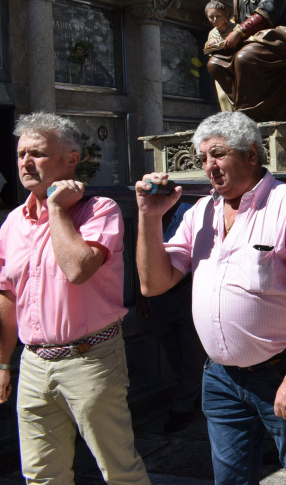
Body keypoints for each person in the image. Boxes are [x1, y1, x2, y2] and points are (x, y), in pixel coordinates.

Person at [135, 111, 286, 484]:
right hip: (219, 379)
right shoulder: (200, 212)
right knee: (230, 479)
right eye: (202, 159)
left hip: (280, 371)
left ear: (251, 153)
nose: (208, 167)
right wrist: (149, 218)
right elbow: (154, 283)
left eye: (218, 154)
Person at [0, 112, 150, 484]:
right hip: (33, 364)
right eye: (20, 154)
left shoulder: (99, 211)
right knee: (40, 474)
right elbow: (6, 293)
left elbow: (78, 269)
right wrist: (3, 364)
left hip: (91, 360)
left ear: (70, 159)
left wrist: (55, 209)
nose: (25, 163)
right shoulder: (13, 222)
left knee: (118, 470)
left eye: (36, 153)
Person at [148, 200, 206, 434]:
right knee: (171, 347)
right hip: (159, 293)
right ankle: (191, 395)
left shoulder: (190, 213)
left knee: (191, 351)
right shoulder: (150, 215)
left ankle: (183, 407)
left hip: (186, 288)